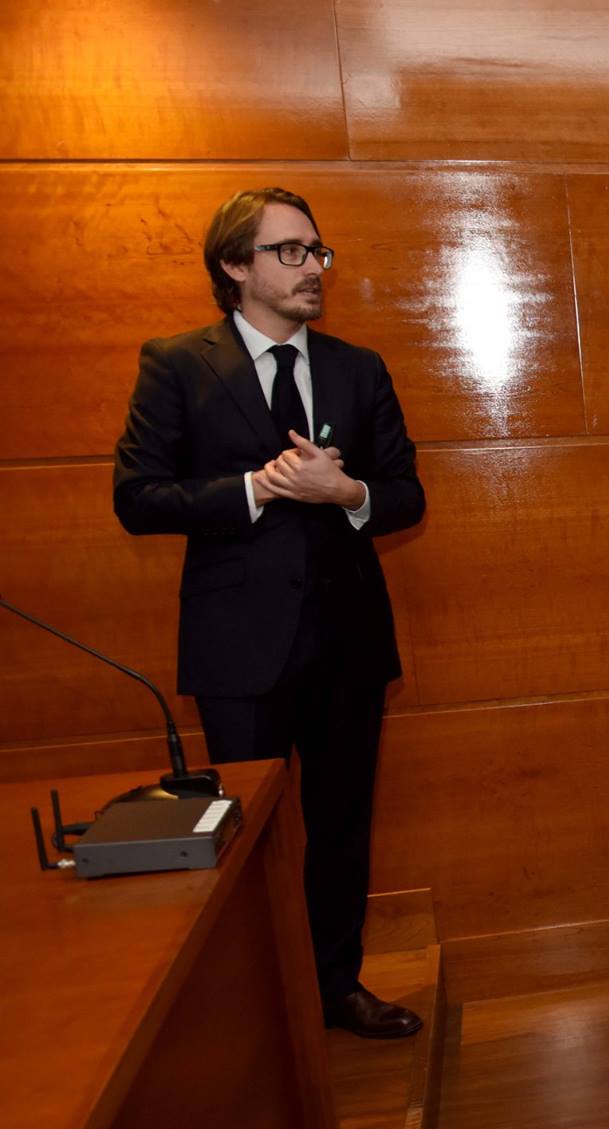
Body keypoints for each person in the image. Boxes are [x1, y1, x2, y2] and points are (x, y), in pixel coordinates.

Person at [112, 188, 427, 1039]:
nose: (312, 267)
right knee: (249, 836)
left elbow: (405, 494)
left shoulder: (359, 368)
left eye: (318, 251)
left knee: (341, 826)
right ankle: (260, 1015)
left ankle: (336, 987)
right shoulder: (177, 364)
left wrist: (346, 491)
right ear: (234, 264)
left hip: (349, 641)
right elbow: (137, 497)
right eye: (290, 251)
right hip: (238, 648)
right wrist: (256, 488)